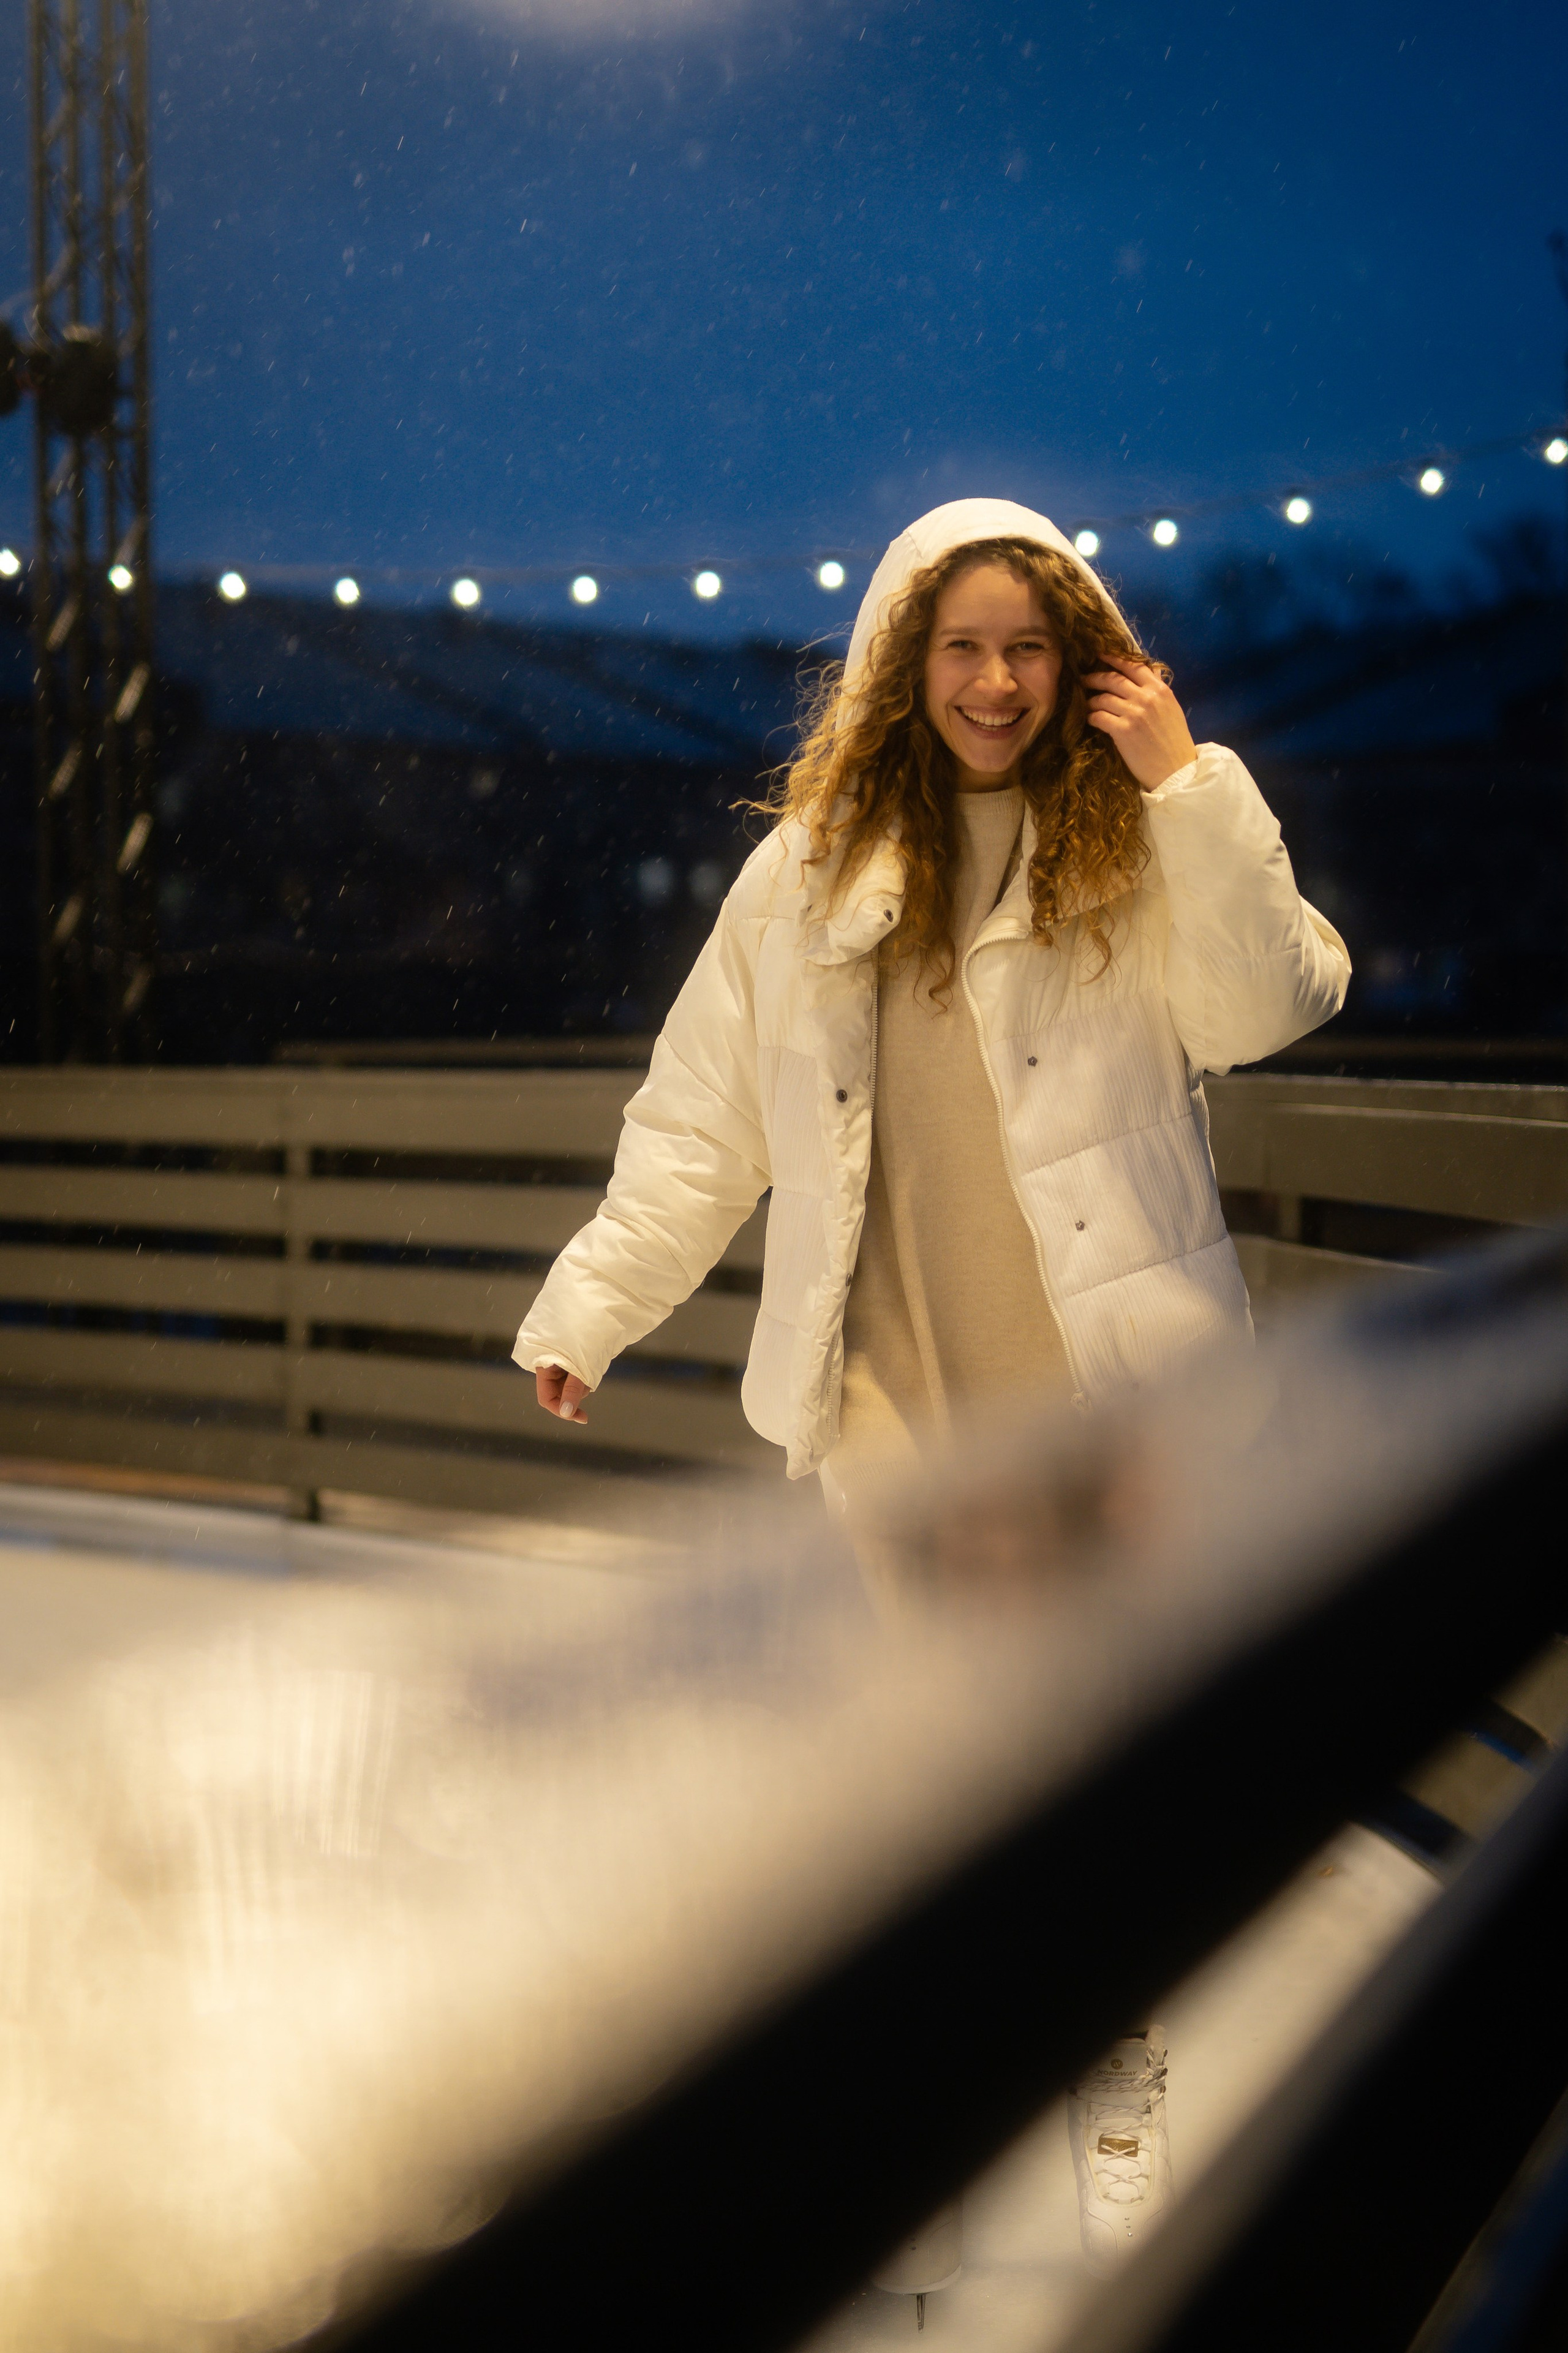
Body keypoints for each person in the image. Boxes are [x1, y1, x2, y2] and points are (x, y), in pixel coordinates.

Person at [513, 496, 1349, 2275]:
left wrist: (1189, 778)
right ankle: (948, 2134)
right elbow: (700, 1125)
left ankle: (1116, 2096)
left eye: (1027, 647)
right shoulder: (805, 871)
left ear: (1079, 656)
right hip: (893, 1406)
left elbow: (1274, 1004)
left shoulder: (1128, 840)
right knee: (930, 1792)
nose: (993, 682)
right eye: (961, 647)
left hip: (1101, 1402)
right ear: (906, 661)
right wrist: (592, 1300)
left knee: (1093, 1767)